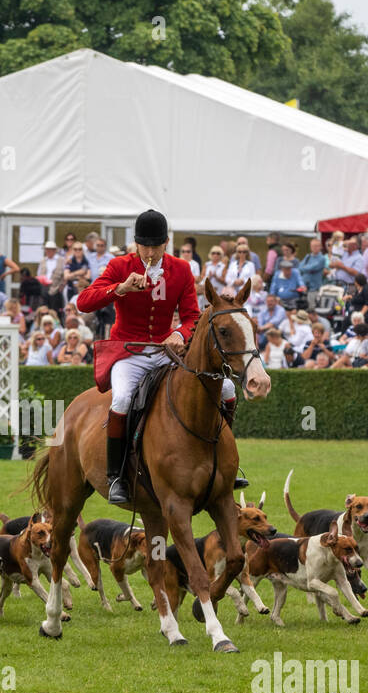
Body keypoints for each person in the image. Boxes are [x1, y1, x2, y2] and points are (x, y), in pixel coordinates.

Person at [76, 209, 245, 505]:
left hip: (168, 351)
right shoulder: (119, 265)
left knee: (228, 388)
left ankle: (224, 459)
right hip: (129, 352)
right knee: (122, 399)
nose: (150, 252)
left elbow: (193, 316)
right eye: (145, 246)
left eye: (156, 245)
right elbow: (83, 302)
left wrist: (179, 333)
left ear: (166, 242)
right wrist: (119, 289)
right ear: (136, 243)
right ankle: (116, 475)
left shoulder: (180, 269)